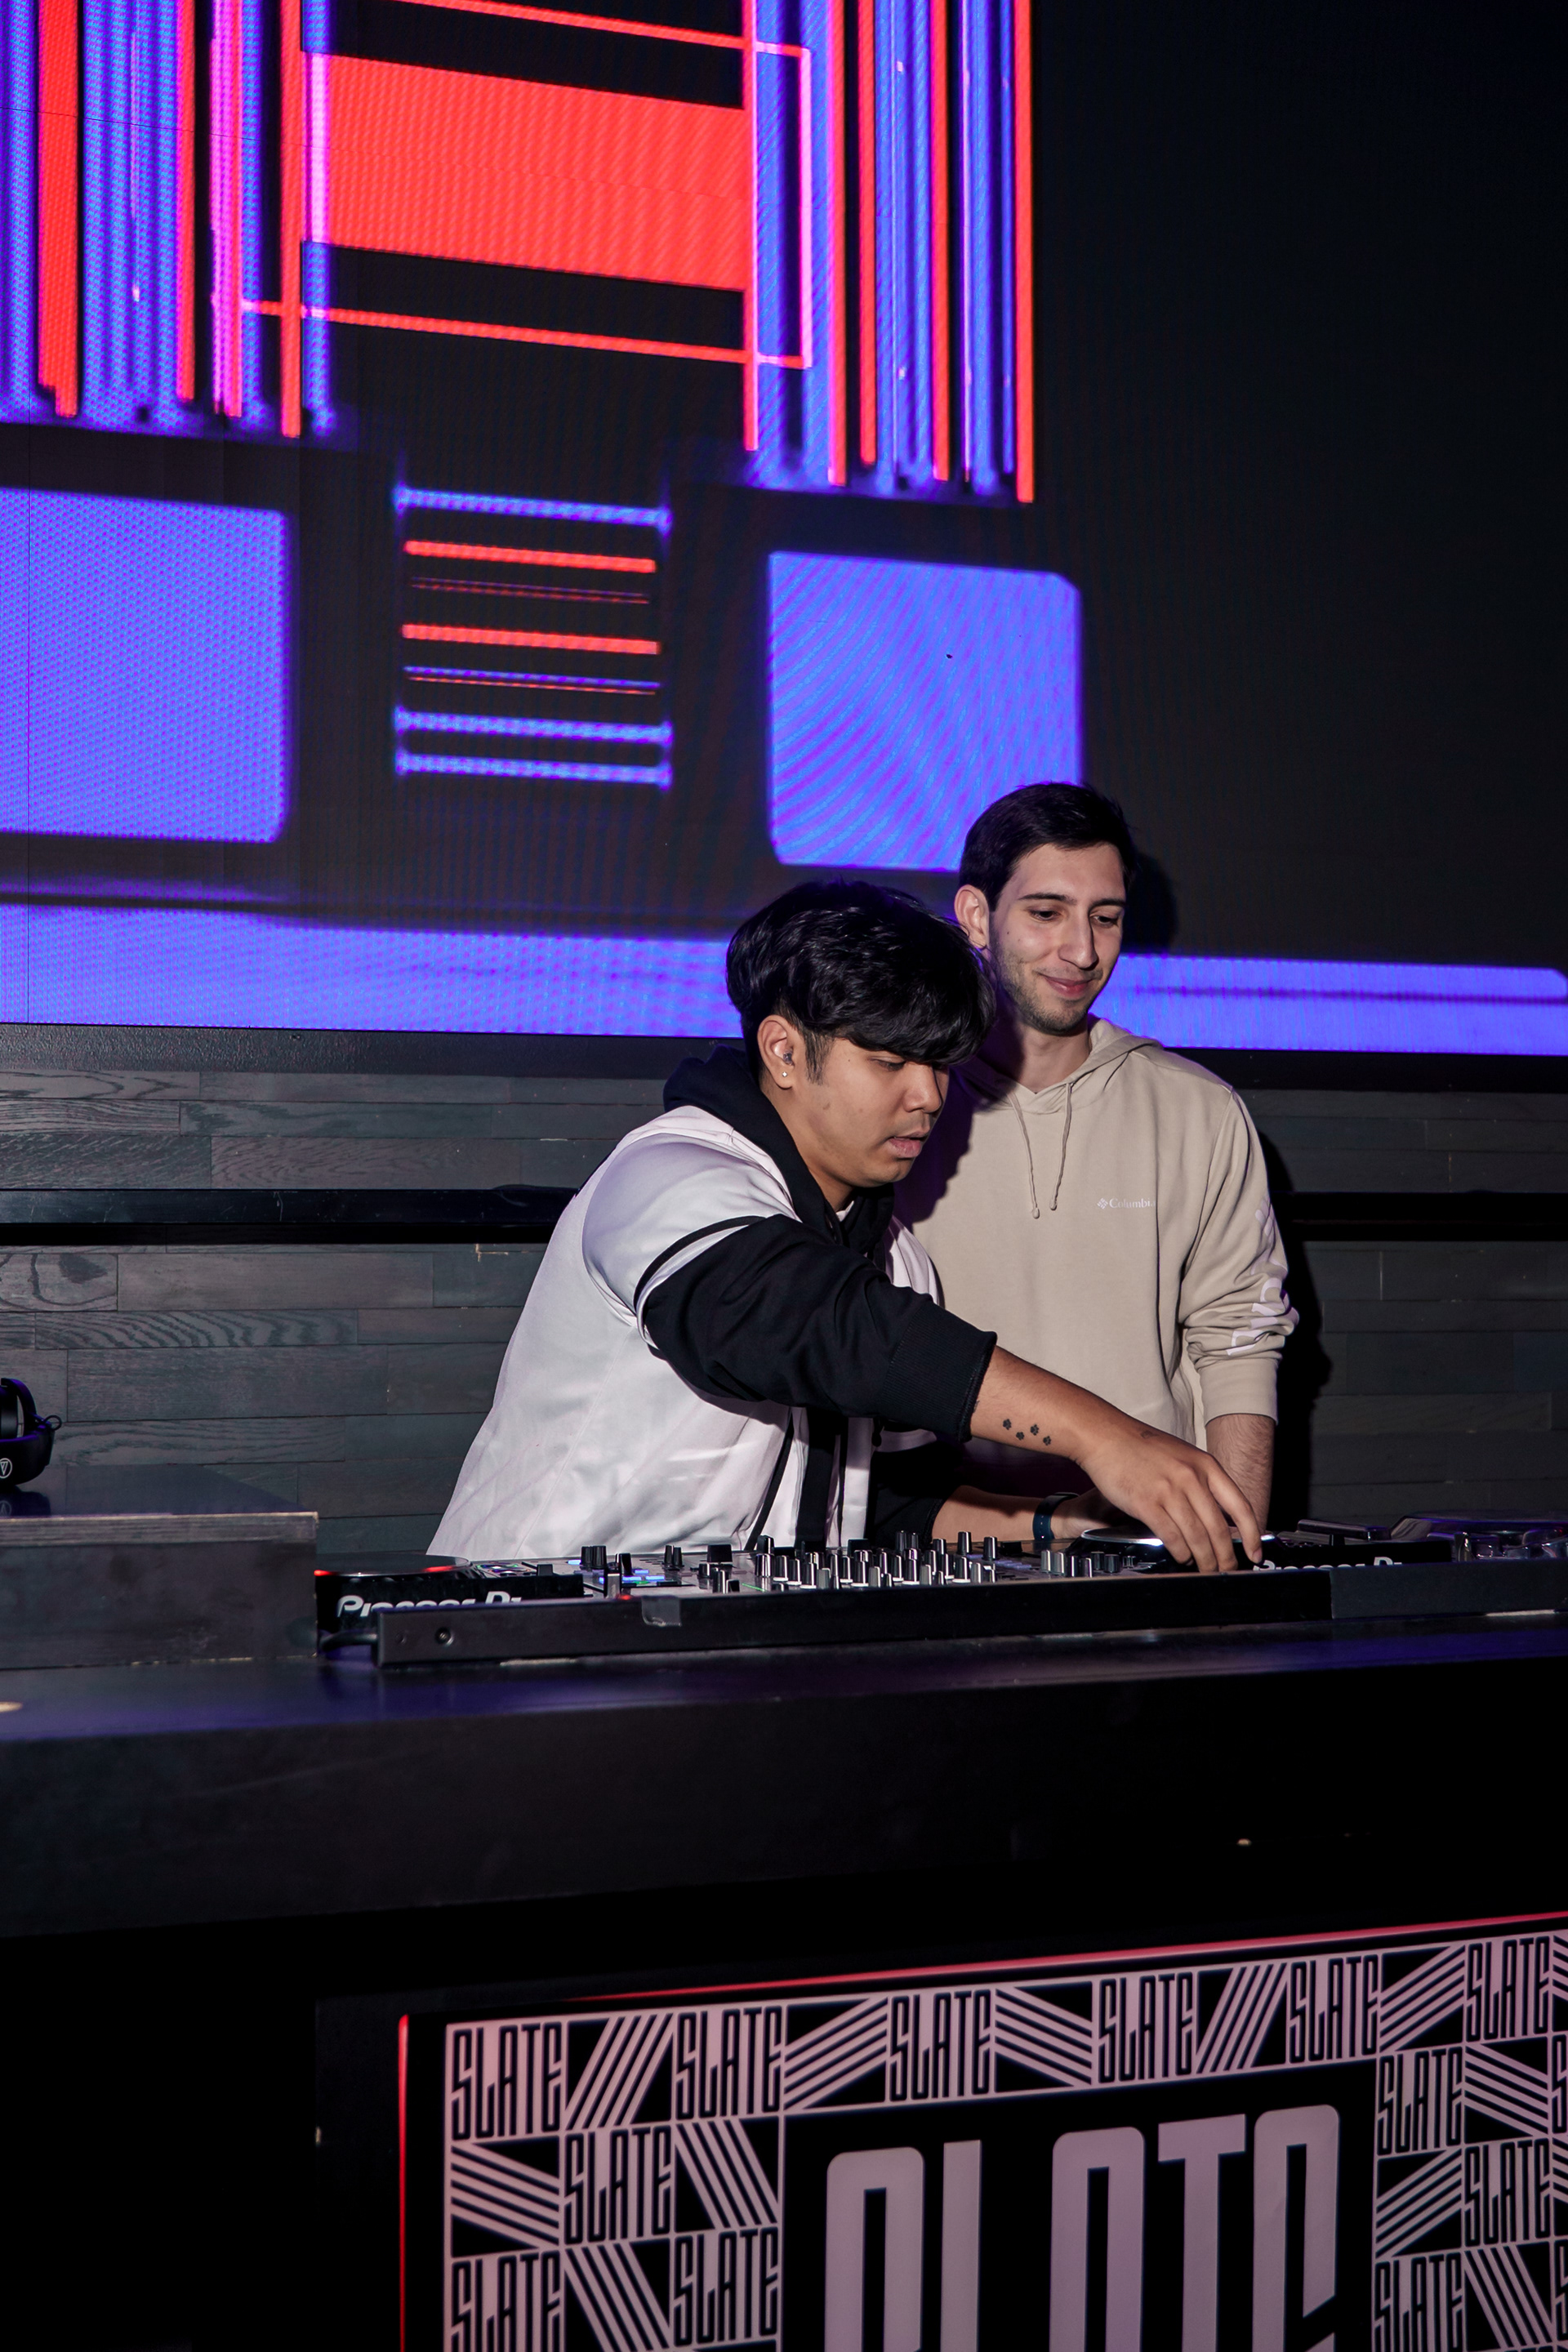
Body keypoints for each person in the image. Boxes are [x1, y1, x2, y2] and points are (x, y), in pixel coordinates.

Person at [433, 880, 1260, 1573]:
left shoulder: (897, 1261)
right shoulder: (667, 1177)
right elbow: (811, 1323)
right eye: (890, 1061)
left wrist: (1055, 1525)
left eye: (939, 1065)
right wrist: (1103, 1437)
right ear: (785, 1052)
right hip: (523, 1638)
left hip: (719, 1656)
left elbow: (880, 1508)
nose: (928, 1097)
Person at [898, 783, 1296, 1543]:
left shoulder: (1199, 1108)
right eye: (1046, 913)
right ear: (976, 916)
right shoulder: (903, 1105)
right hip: (942, 1548)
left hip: (1144, 1546)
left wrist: (1230, 1554)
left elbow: (1239, 1339)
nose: (1082, 952)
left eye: (1105, 918)